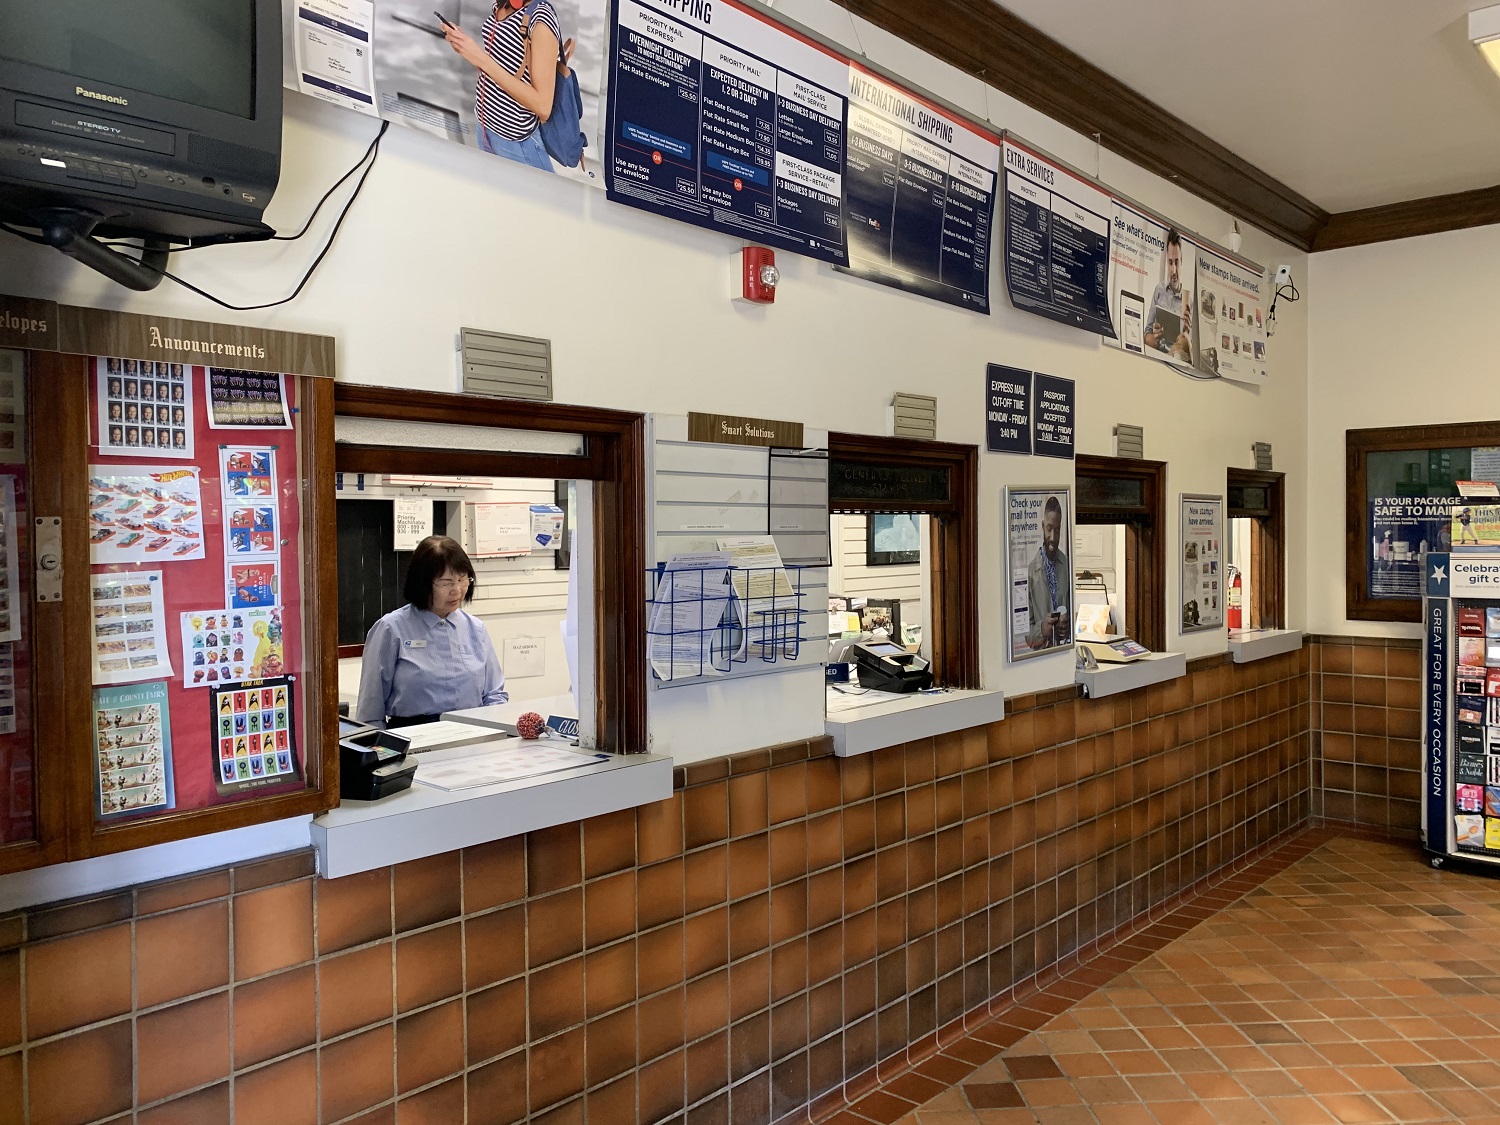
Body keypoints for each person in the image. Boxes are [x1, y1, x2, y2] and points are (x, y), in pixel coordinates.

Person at [355, 535, 508, 726]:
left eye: (462, 579)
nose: (457, 590)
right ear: (423, 583)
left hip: (472, 733)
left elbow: (495, 695)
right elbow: (370, 710)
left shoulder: (475, 628)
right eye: (445, 583)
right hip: (414, 736)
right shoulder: (391, 629)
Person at [442, 0, 574, 172]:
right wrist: (465, 47)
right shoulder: (501, 4)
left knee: (535, 199)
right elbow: (503, 66)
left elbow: (543, 105)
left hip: (516, 144)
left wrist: (480, 58)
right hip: (484, 128)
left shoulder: (541, 19)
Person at [1026, 496, 1071, 649]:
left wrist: (1068, 625)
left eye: (1057, 530)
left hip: (1064, 654)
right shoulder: (1031, 572)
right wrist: (1042, 630)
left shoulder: (1067, 565)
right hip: (1040, 660)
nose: (1053, 537)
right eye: (1049, 529)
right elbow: (1026, 636)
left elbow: (1073, 621)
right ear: (1043, 526)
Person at [1144, 229, 1184, 353]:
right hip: (1158, 359)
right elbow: (1147, 333)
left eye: (1177, 262)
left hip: (1178, 364)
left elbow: (1192, 351)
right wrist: (1153, 339)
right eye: (1170, 262)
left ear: (1182, 261)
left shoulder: (1189, 301)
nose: (1174, 270)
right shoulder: (1159, 290)